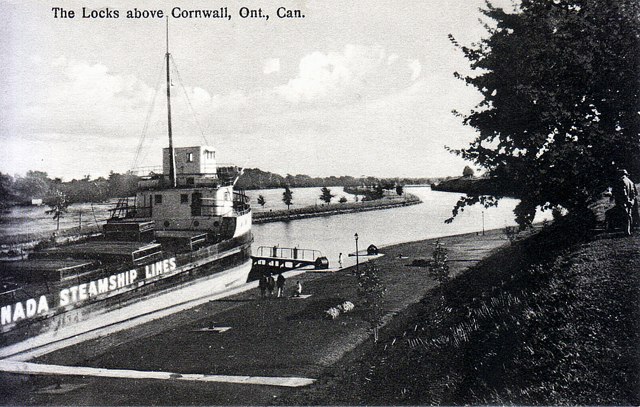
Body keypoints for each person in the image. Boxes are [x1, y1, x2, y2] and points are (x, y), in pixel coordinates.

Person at [612, 169, 638, 236]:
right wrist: (631, 200)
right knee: (629, 215)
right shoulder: (630, 182)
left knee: (625, 216)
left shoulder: (621, 181)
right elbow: (634, 193)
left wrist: (626, 200)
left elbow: (624, 192)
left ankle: (627, 231)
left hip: (624, 201)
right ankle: (629, 230)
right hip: (630, 201)